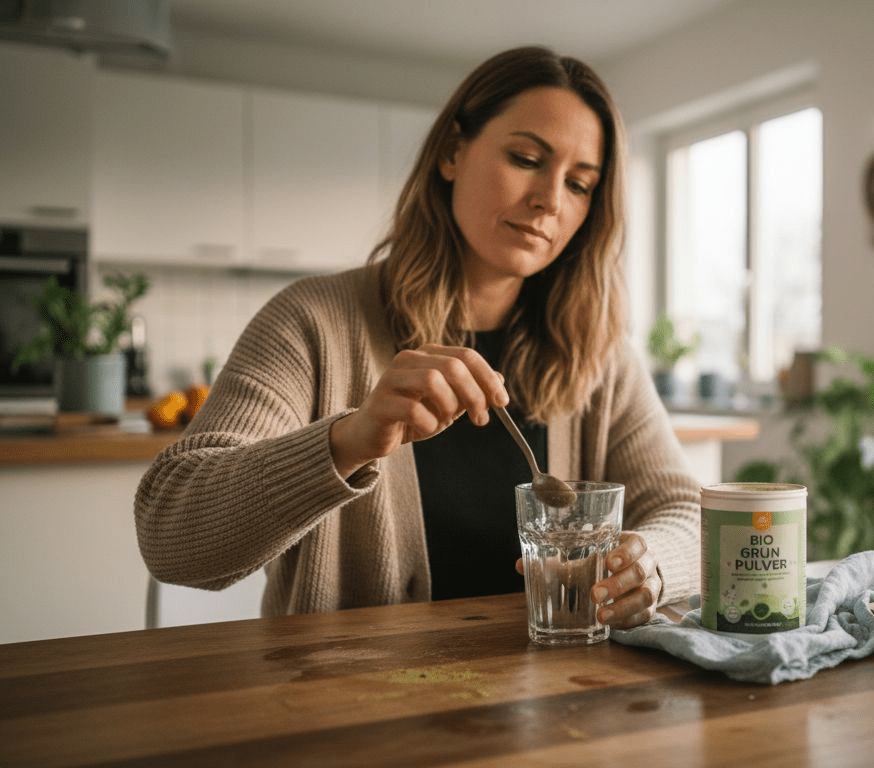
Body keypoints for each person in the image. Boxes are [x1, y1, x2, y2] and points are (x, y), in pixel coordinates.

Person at [134, 46, 701, 629]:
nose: (550, 201)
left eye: (580, 185)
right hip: (350, 703)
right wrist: (349, 441)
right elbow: (170, 537)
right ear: (453, 152)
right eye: (527, 158)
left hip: (555, 706)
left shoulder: (596, 352)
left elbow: (684, 512)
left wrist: (650, 566)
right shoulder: (313, 323)